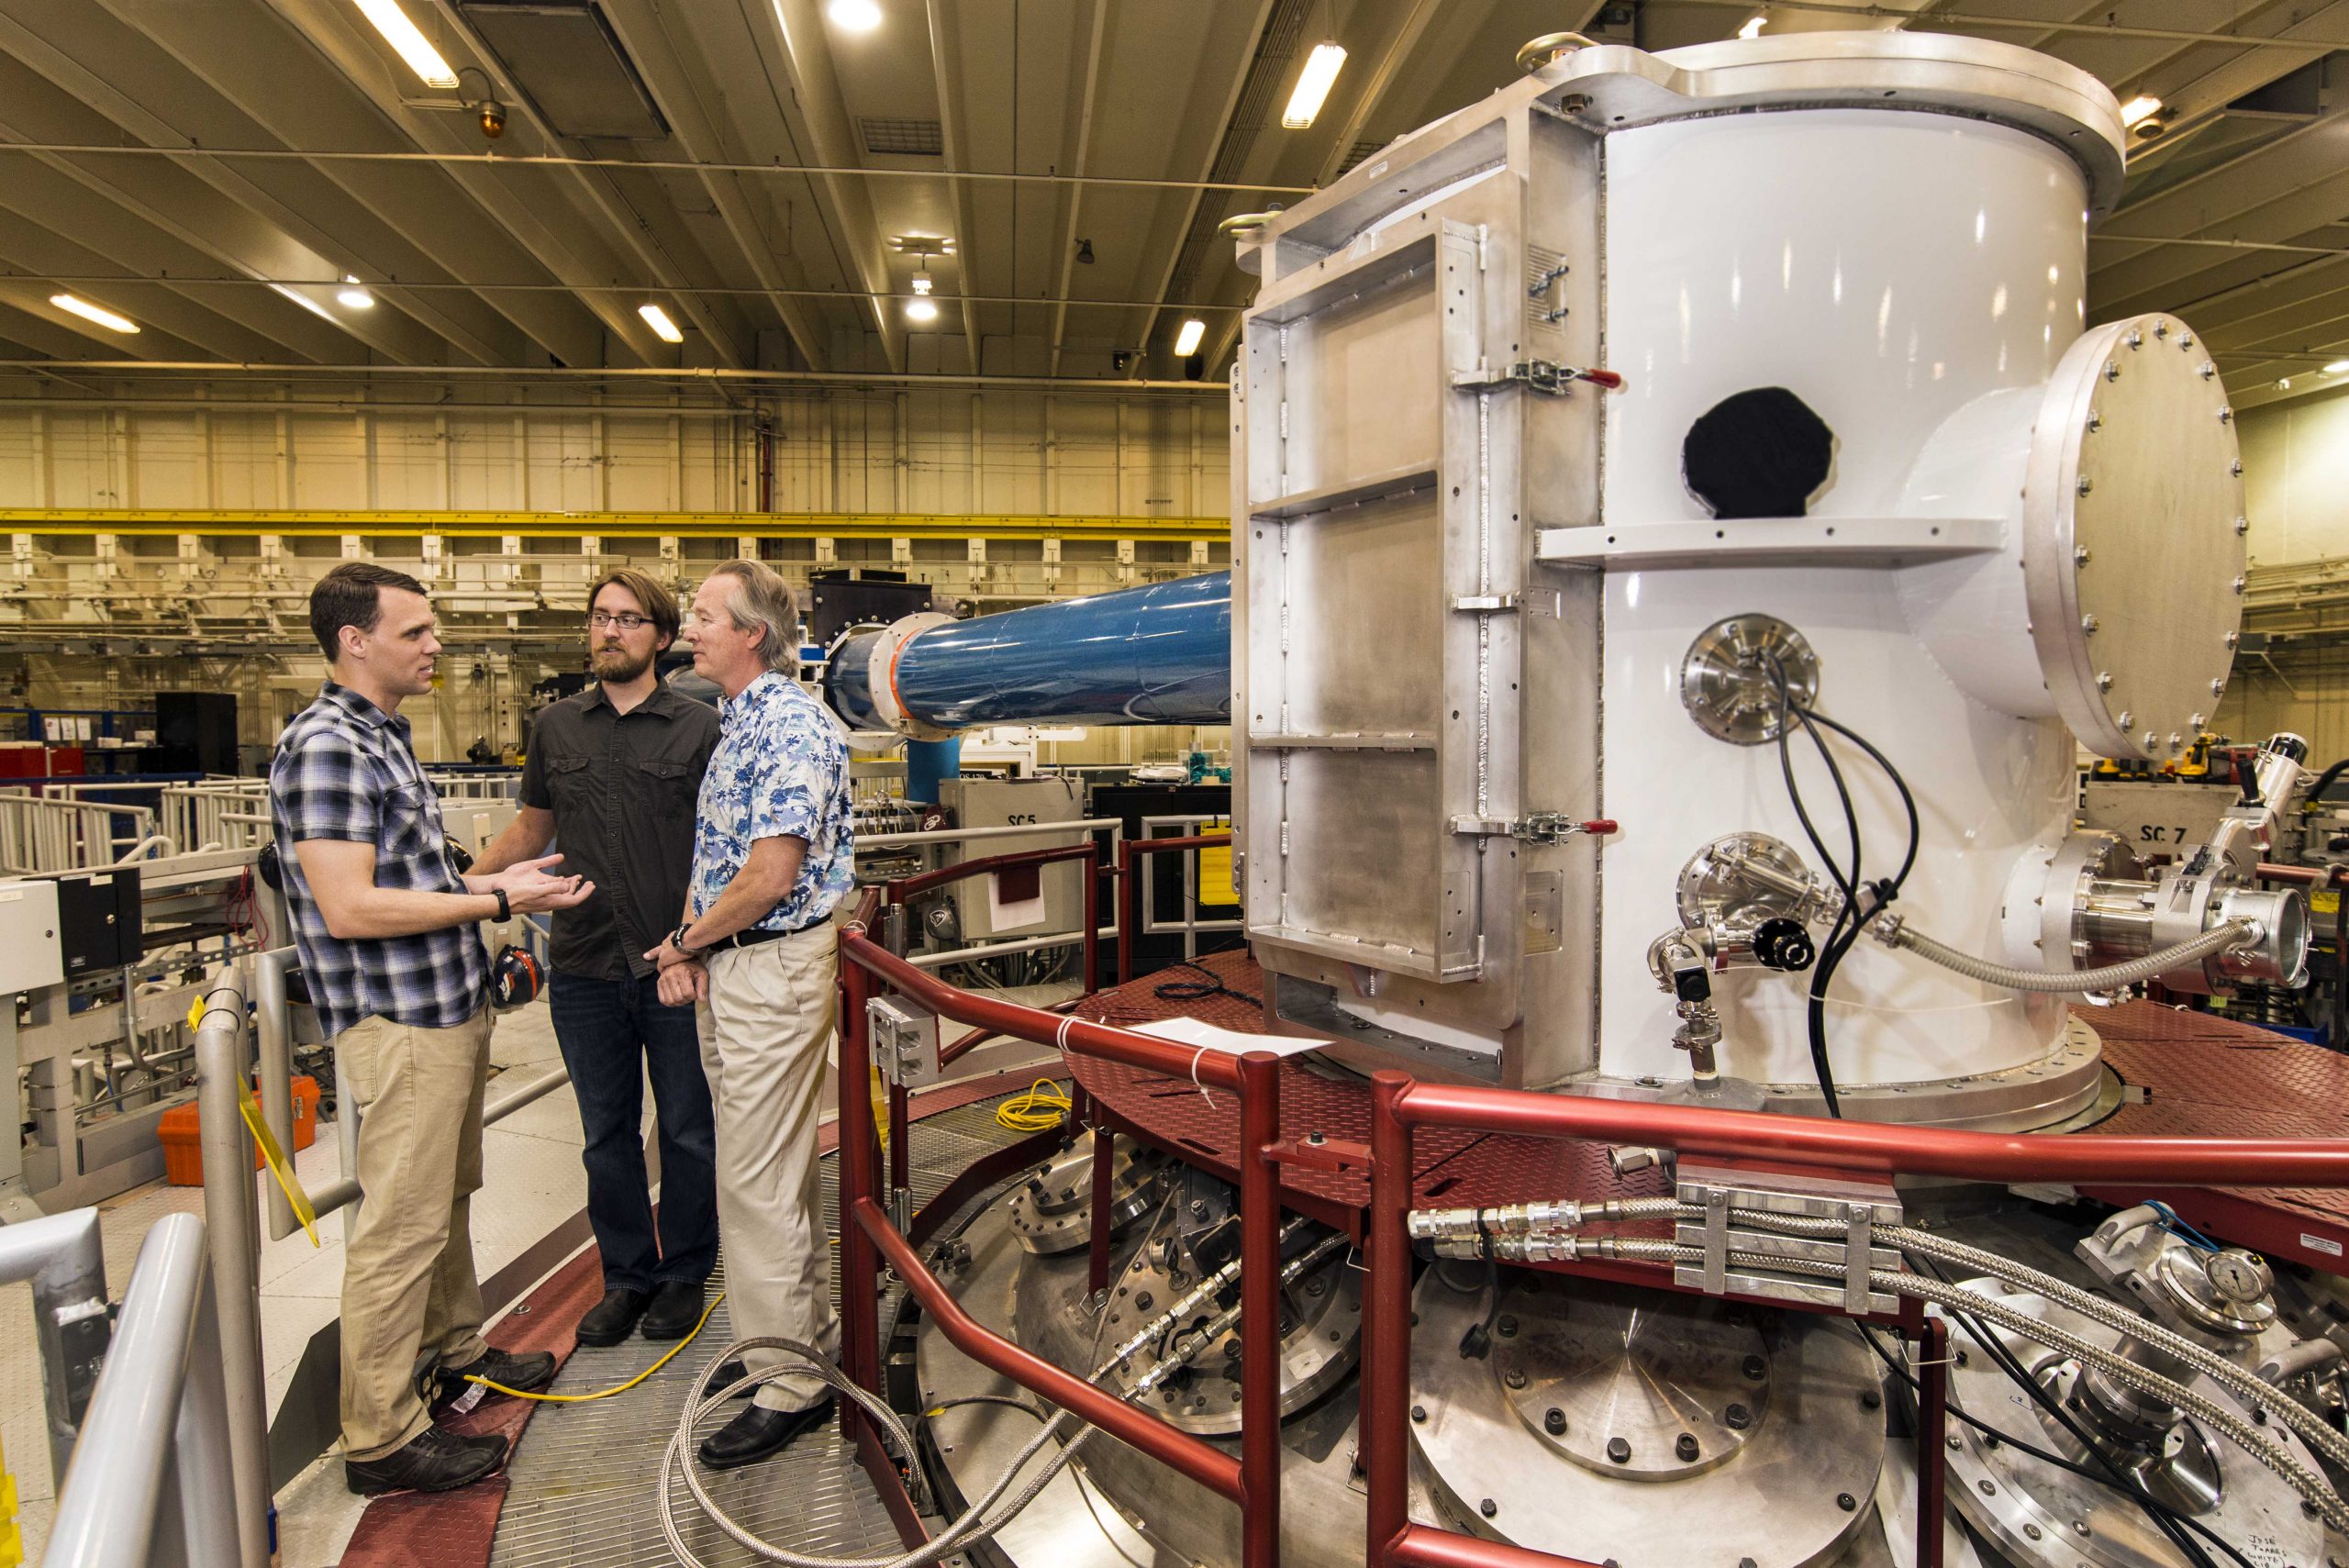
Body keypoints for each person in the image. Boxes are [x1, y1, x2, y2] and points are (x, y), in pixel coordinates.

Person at [269, 562, 596, 1496]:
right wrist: (497, 892)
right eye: (414, 631)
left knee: (447, 1195)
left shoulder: (383, 736)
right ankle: (379, 1435)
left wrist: (495, 899)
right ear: (354, 641)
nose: (433, 644)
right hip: (399, 1019)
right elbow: (348, 904)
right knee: (401, 1227)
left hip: (446, 1006)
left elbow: (412, 879)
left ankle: (454, 1353)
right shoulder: (328, 743)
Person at [473, 570, 721, 1348]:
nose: (610, 631)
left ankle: (684, 1270)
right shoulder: (556, 728)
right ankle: (626, 1277)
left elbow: (721, 852)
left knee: (685, 1128)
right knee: (602, 1134)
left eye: (628, 619)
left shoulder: (699, 727)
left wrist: (701, 942)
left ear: (661, 635)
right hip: (581, 965)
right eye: (599, 618)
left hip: (672, 964)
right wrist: (462, 890)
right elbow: (533, 828)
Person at [643, 559, 853, 1471]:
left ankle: (790, 1385)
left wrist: (688, 941)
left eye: (700, 615)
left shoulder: (791, 724)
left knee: (755, 1182)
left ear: (750, 634)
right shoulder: (742, 721)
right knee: (772, 1175)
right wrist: (699, 941)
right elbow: (734, 858)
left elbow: (770, 874)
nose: (686, 628)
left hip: (770, 969)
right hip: (742, 965)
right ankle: (800, 1344)